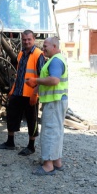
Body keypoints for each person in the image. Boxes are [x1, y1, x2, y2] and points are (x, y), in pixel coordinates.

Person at [0, 30, 45, 156]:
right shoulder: (21, 54)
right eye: (24, 39)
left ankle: (31, 146)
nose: (26, 42)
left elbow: (41, 77)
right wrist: (12, 91)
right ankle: (10, 142)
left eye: (29, 39)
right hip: (18, 92)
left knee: (31, 120)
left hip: (30, 94)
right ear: (21, 39)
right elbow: (19, 75)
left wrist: (35, 94)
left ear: (33, 39)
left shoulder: (39, 55)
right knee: (11, 115)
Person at [25, 36, 68, 176]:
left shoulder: (55, 61)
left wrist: (35, 80)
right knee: (57, 131)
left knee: (49, 132)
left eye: (45, 46)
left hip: (54, 102)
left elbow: (54, 80)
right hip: (57, 101)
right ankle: (56, 161)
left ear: (54, 47)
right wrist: (36, 91)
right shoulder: (57, 59)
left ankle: (48, 165)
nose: (43, 49)